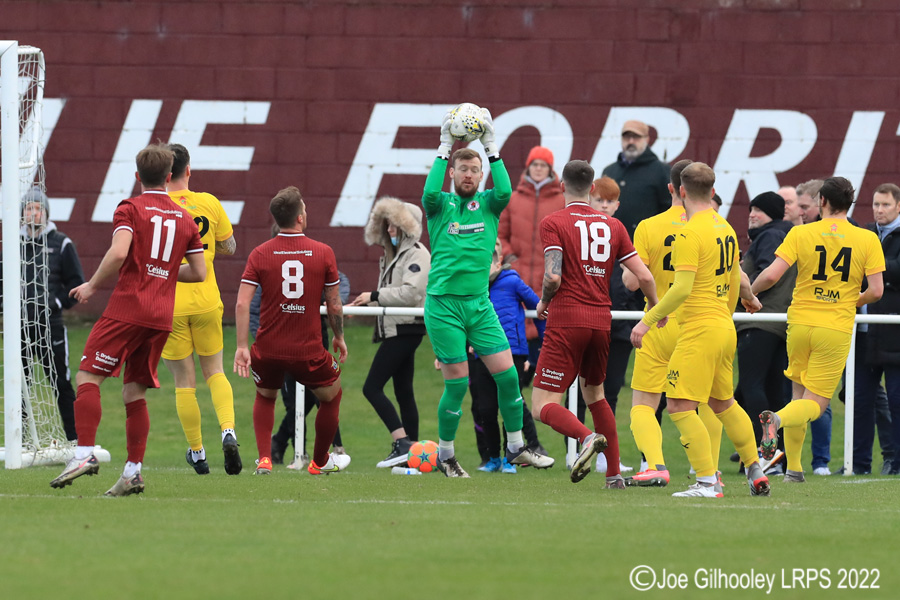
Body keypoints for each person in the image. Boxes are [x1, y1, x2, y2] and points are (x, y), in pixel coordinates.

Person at [50, 144, 206, 496]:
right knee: (133, 390)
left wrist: (90, 284)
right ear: (169, 177)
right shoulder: (184, 219)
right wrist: (163, 271)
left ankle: (84, 453)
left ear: (137, 176)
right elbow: (199, 273)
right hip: (161, 316)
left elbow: (120, 252)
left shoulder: (130, 209)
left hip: (129, 308)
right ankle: (133, 471)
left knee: (89, 373)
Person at [422, 108, 553, 477]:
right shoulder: (440, 206)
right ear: (453, 173)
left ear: (481, 176)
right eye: (462, 170)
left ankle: (515, 447)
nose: (468, 175)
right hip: (444, 306)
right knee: (458, 384)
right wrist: (446, 144)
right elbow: (429, 191)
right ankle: (446, 454)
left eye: (474, 170)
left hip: (479, 306)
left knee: (508, 377)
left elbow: (507, 189)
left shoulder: (490, 205)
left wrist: (491, 147)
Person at [632, 162, 770, 498]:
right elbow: (738, 275)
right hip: (724, 326)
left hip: (698, 328)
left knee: (679, 405)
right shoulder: (723, 225)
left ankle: (707, 481)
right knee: (723, 403)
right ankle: (755, 470)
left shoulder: (689, 232)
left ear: (680, 190)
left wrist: (647, 320)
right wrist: (749, 297)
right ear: (712, 190)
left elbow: (680, 289)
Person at [530, 160, 659, 488]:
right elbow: (643, 274)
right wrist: (657, 308)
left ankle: (586, 437)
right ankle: (614, 475)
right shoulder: (613, 227)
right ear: (591, 189)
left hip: (567, 320)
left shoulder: (553, 222)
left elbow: (553, 275)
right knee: (596, 395)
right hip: (601, 322)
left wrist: (543, 302)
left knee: (542, 404)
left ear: (561, 186)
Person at [753, 177, 885, 483]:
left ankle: (794, 470)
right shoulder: (866, 238)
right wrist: (853, 300)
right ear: (849, 204)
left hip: (799, 323)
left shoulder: (802, 233)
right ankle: (778, 419)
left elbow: (771, 274)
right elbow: (876, 291)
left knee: (799, 393)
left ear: (822, 201)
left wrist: (750, 295)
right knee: (814, 404)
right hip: (834, 326)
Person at [234, 186, 349, 476]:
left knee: (265, 396)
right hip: (307, 349)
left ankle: (263, 459)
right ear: (299, 217)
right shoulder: (323, 252)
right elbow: (334, 305)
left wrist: (242, 346)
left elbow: (241, 303)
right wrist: (339, 336)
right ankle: (320, 461)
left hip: (268, 348)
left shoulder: (260, 253)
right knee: (332, 396)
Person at [160, 144, 241, 476]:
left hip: (170, 303)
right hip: (207, 298)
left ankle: (197, 452)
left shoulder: (155, 206)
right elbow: (231, 246)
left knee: (184, 382)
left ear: (164, 174)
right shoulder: (208, 202)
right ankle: (227, 430)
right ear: (188, 170)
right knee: (216, 372)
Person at [351, 196, 430, 468]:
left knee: (371, 387)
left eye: (395, 225)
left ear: (407, 227)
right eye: (387, 225)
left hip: (406, 328)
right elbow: (392, 294)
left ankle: (401, 442)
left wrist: (372, 295)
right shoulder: (393, 255)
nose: (390, 230)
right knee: (403, 391)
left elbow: (410, 293)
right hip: (399, 328)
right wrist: (365, 302)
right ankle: (414, 456)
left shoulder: (417, 253)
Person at [14, 188, 85, 441]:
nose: (34, 213)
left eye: (38, 209)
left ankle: (75, 440)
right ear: (22, 214)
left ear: (46, 213)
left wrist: (55, 302)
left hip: (50, 326)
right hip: (19, 327)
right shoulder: (13, 243)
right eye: (29, 209)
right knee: (18, 385)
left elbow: (77, 284)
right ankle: (18, 441)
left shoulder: (61, 242)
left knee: (61, 382)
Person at [469, 247, 547, 473]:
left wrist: (542, 345)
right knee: (486, 409)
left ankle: (508, 459)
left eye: (488, 265)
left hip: (513, 352)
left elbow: (539, 306)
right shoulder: (474, 287)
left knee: (509, 406)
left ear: (497, 264)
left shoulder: (512, 281)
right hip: (482, 353)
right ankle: (493, 458)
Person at [734, 192, 796, 474]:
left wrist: (747, 291)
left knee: (751, 388)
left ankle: (764, 452)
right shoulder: (783, 234)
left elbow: (768, 275)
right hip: (779, 323)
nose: (752, 214)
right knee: (770, 390)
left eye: (759, 209)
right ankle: (774, 458)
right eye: (750, 209)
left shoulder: (770, 236)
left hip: (759, 320)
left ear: (773, 213)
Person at [497, 146, 565, 381]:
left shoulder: (561, 201)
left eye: (542, 165)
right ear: (528, 167)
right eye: (534, 164)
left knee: (546, 328)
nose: (538, 169)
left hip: (549, 277)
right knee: (516, 326)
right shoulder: (513, 199)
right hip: (519, 275)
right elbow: (500, 235)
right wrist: (509, 257)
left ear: (550, 169)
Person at [588, 176, 638, 474]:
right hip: (588, 323)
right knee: (584, 389)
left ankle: (607, 455)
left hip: (618, 327)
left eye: (610, 202)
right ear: (589, 201)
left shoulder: (622, 236)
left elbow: (635, 281)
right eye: (599, 200)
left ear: (617, 206)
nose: (604, 206)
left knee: (612, 391)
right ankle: (580, 447)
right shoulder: (578, 232)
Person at [854, 183, 900, 475]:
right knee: (859, 402)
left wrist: (869, 266)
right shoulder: (865, 234)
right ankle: (857, 465)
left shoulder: (865, 241)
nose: (879, 210)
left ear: (898, 206)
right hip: (862, 332)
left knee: (897, 401)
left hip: (895, 334)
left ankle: (897, 464)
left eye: (885, 204)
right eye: (875, 204)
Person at [601, 120, 671, 240]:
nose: (631, 141)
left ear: (647, 139)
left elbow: (669, 210)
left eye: (636, 137)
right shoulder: (609, 171)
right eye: (627, 137)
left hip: (646, 247)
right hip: (612, 246)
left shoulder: (661, 171)